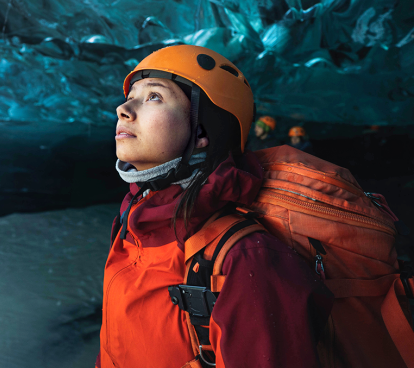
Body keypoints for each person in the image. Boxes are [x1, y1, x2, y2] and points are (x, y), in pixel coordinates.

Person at [98, 45, 332, 368]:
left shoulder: (245, 258)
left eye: (154, 97)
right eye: (131, 95)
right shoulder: (130, 224)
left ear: (202, 132)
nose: (123, 108)